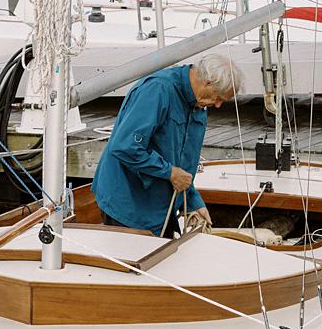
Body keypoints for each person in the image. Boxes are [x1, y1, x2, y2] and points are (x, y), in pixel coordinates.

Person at [92, 55, 243, 237]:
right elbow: (125, 147)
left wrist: (193, 200)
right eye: (218, 98)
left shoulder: (200, 104)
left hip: (160, 209)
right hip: (128, 205)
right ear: (207, 82)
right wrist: (169, 172)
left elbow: (184, 163)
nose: (218, 105)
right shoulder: (157, 90)